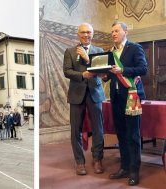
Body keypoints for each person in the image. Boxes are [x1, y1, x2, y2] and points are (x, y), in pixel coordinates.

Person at [106, 21, 147, 186]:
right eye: (112, 32)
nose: (113, 34)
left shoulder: (134, 48)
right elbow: (111, 74)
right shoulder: (111, 52)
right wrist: (105, 76)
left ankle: (134, 170)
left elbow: (143, 69)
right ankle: (124, 167)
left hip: (131, 96)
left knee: (133, 135)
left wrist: (123, 70)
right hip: (116, 97)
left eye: (116, 30)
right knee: (121, 134)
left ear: (125, 32)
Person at [63, 23, 106, 175]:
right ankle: (80, 162)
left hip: (95, 92)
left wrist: (88, 59)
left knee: (98, 129)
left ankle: (97, 159)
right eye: (83, 32)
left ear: (92, 34)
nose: (86, 35)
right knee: (76, 130)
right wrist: (82, 75)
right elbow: (67, 71)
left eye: (88, 32)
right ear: (78, 34)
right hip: (76, 94)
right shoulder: (69, 51)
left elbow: (102, 71)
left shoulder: (99, 51)